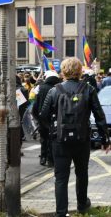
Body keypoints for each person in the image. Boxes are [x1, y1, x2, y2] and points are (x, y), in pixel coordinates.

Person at [40, 57, 111, 217]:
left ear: (63, 71)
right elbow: (99, 116)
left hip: (60, 141)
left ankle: (61, 213)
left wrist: (52, 130)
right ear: (80, 71)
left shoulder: (54, 90)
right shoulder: (88, 89)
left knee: (61, 178)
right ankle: (82, 206)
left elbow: (42, 115)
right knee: (82, 173)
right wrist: (104, 139)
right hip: (82, 139)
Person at [32, 71, 60, 167]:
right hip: (54, 119)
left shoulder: (40, 87)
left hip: (42, 118)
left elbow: (35, 105)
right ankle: (50, 159)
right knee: (52, 139)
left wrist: (36, 117)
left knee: (43, 139)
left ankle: (43, 158)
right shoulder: (58, 88)